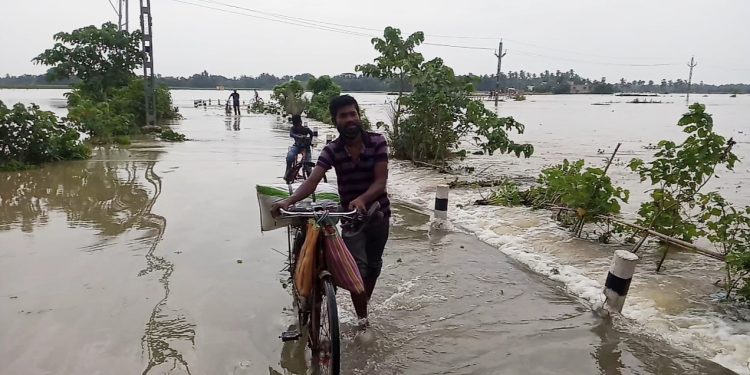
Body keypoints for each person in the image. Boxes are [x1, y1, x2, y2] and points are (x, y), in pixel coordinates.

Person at [272, 95, 390, 329]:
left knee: (374, 266)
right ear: (335, 121)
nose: (349, 119)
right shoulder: (332, 150)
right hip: (350, 219)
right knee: (357, 269)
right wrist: (289, 200)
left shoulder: (377, 142)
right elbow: (313, 180)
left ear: (359, 115)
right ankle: (363, 320)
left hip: (378, 215)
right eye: (343, 116)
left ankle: (362, 306)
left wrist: (363, 199)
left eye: (352, 114)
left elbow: (380, 182)